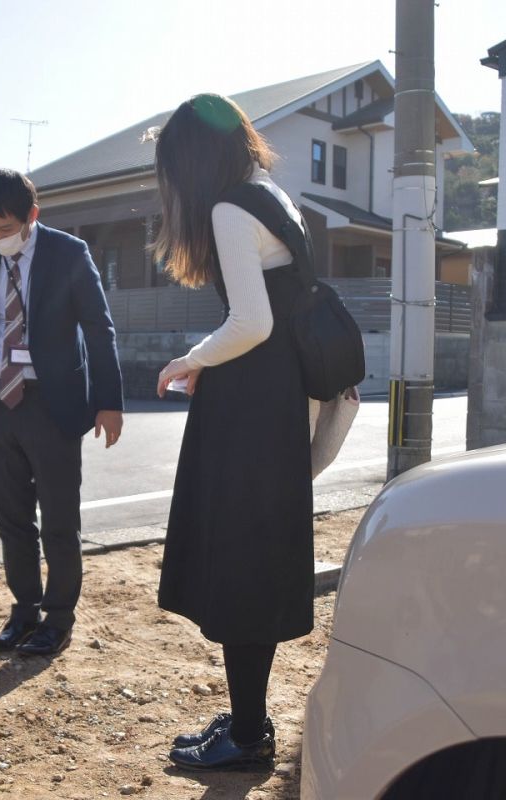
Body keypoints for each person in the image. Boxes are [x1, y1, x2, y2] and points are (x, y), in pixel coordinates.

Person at [151, 95, 314, 770]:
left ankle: (248, 737)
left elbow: (252, 321)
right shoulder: (272, 194)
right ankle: (250, 719)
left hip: (247, 413)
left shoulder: (228, 208)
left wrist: (190, 358)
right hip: (272, 400)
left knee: (240, 564)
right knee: (256, 561)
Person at [0, 169, 124, 657]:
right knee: (11, 518)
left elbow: (100, 330)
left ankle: (58, 617)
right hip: (0, 401)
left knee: (58, 518)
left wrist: (109, 401)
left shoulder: (69, 253)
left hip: (53, 402)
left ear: (31, 216)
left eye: (5, 228)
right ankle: (24, 610)